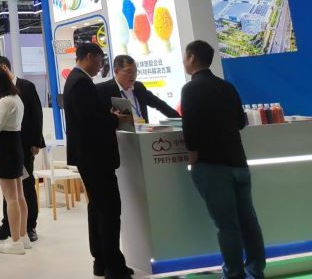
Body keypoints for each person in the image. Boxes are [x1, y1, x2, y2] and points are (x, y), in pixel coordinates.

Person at [181, 40, 265, 279]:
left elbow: (190, 128)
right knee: (249, 221)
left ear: (192, 58)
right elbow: (240, 122)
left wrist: (193, 157)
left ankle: (233, 273)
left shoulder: (191, 89)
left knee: (227, 225)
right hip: (238, 161)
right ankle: (255, 270)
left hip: (212, 165)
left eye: (185, 56)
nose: (184, 61)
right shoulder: (227, 87)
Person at [63, 43, 132, 279]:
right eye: (101, 61)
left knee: (98, 208)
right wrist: (114, 119)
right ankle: (114, 266)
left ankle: (101, 261)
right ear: (90, 57)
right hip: (95, 157)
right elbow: (89, 120)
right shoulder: (81, 82)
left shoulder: (77, 80)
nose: (101, 66)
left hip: (89, 156)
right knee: (109, 211)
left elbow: (88, 116)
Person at [0, 55, 45, 243]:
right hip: (12, 144)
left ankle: (29, 227)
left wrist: (36, 142)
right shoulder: (6, 94)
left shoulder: (25, 87)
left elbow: (37, 114)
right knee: (12, 192)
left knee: (24, 188)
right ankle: (10, 227)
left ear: (4, 68)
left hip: (24, 144)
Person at [0, 66, 28, 255]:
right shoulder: (16, 98)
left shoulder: (4, 102)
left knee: (11, 198)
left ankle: (15, 241)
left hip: (5, 148)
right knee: (19, 195)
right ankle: (23, 236)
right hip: (16, 145)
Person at [96, 55, 180, 124]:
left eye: (135, 71)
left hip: (142, 134)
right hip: (119, 137)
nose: (133, 75)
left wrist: (179, 120)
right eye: (129, 72)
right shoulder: (103, 90)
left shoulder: (138, 87)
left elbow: (159, 104)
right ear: (116, 71)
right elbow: (97, 118)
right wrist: (113, 118)